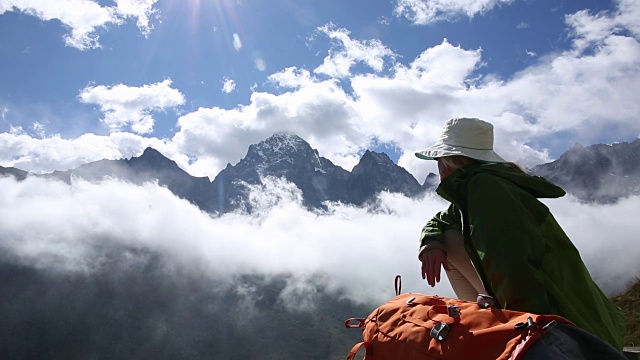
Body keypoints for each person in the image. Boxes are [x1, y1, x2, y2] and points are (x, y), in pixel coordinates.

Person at [415, 117, 626, 351]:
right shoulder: (478, 186)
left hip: (554, 315)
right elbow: (444, 219)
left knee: (451, 239)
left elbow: (511, 264)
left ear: (451, 160)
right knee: (448, 235)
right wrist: (432, 242)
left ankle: (495, 322)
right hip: (564, 309)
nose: (437, 167)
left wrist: (524, 330)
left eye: (438, 160)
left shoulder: (485, 188)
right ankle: (485, 315)